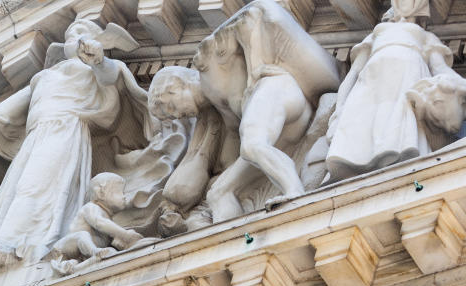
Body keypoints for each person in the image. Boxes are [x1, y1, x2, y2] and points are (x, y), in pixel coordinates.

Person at [0, 19, 154, 269]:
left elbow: (110, 82)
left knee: (34, 188)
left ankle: (14, 246)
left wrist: (98, 61)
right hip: (37, 137)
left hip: (65, 131)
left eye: (82, 32)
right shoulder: (43, 78)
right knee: (18, 190)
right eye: (71, 34)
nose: (75, 37)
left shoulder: (96, 69)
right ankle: (6, 244)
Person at [147, 0, 340, 222]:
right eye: (172, 116)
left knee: (252, 144)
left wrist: (255, 66)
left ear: (176, 86)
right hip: (277, 132)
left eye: (172, 107)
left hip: (276, 92)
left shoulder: (206, 62)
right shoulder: (220, 114)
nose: (179, 116)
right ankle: (235, 239)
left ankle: (294, 191)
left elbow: (251, 17)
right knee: (218, 192)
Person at [326, 0, 460, 182]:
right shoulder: (377, 33)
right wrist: (339, 108)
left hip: (407, 81)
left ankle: (397, 161)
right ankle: (354, 167)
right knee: (364, 121)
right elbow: (354, 72)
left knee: (398, 118)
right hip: (370, 84)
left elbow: (440, 68)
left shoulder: (425, 36)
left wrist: (460, 84)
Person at [48, 172, 145, 275]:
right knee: (83, 234)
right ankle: (93, 251)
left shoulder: (109, 220)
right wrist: (125, 234)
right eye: (119, 192)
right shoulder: (91, 207)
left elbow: (112, 237)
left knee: (110, 253)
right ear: (100, 193)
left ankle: (75, 268)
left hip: (82, 253)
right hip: (68, 246)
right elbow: (100, 223)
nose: (124, 196)